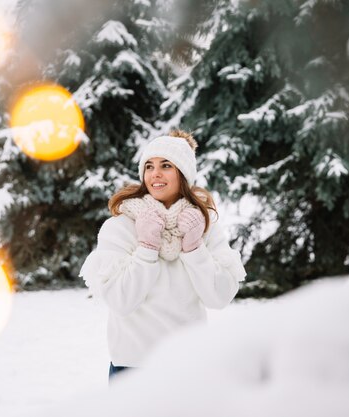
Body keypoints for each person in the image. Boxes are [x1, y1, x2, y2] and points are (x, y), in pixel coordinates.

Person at [79, 130, 246, 382]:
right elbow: (120, 300)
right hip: (133, 367)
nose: (155, 173)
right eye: (149, 166)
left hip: (188, 365)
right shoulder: (121, 226)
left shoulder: (203, 225)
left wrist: (194, 249)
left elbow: (219, 297)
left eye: (166, 165)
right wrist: (146, 247)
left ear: (183, 174)